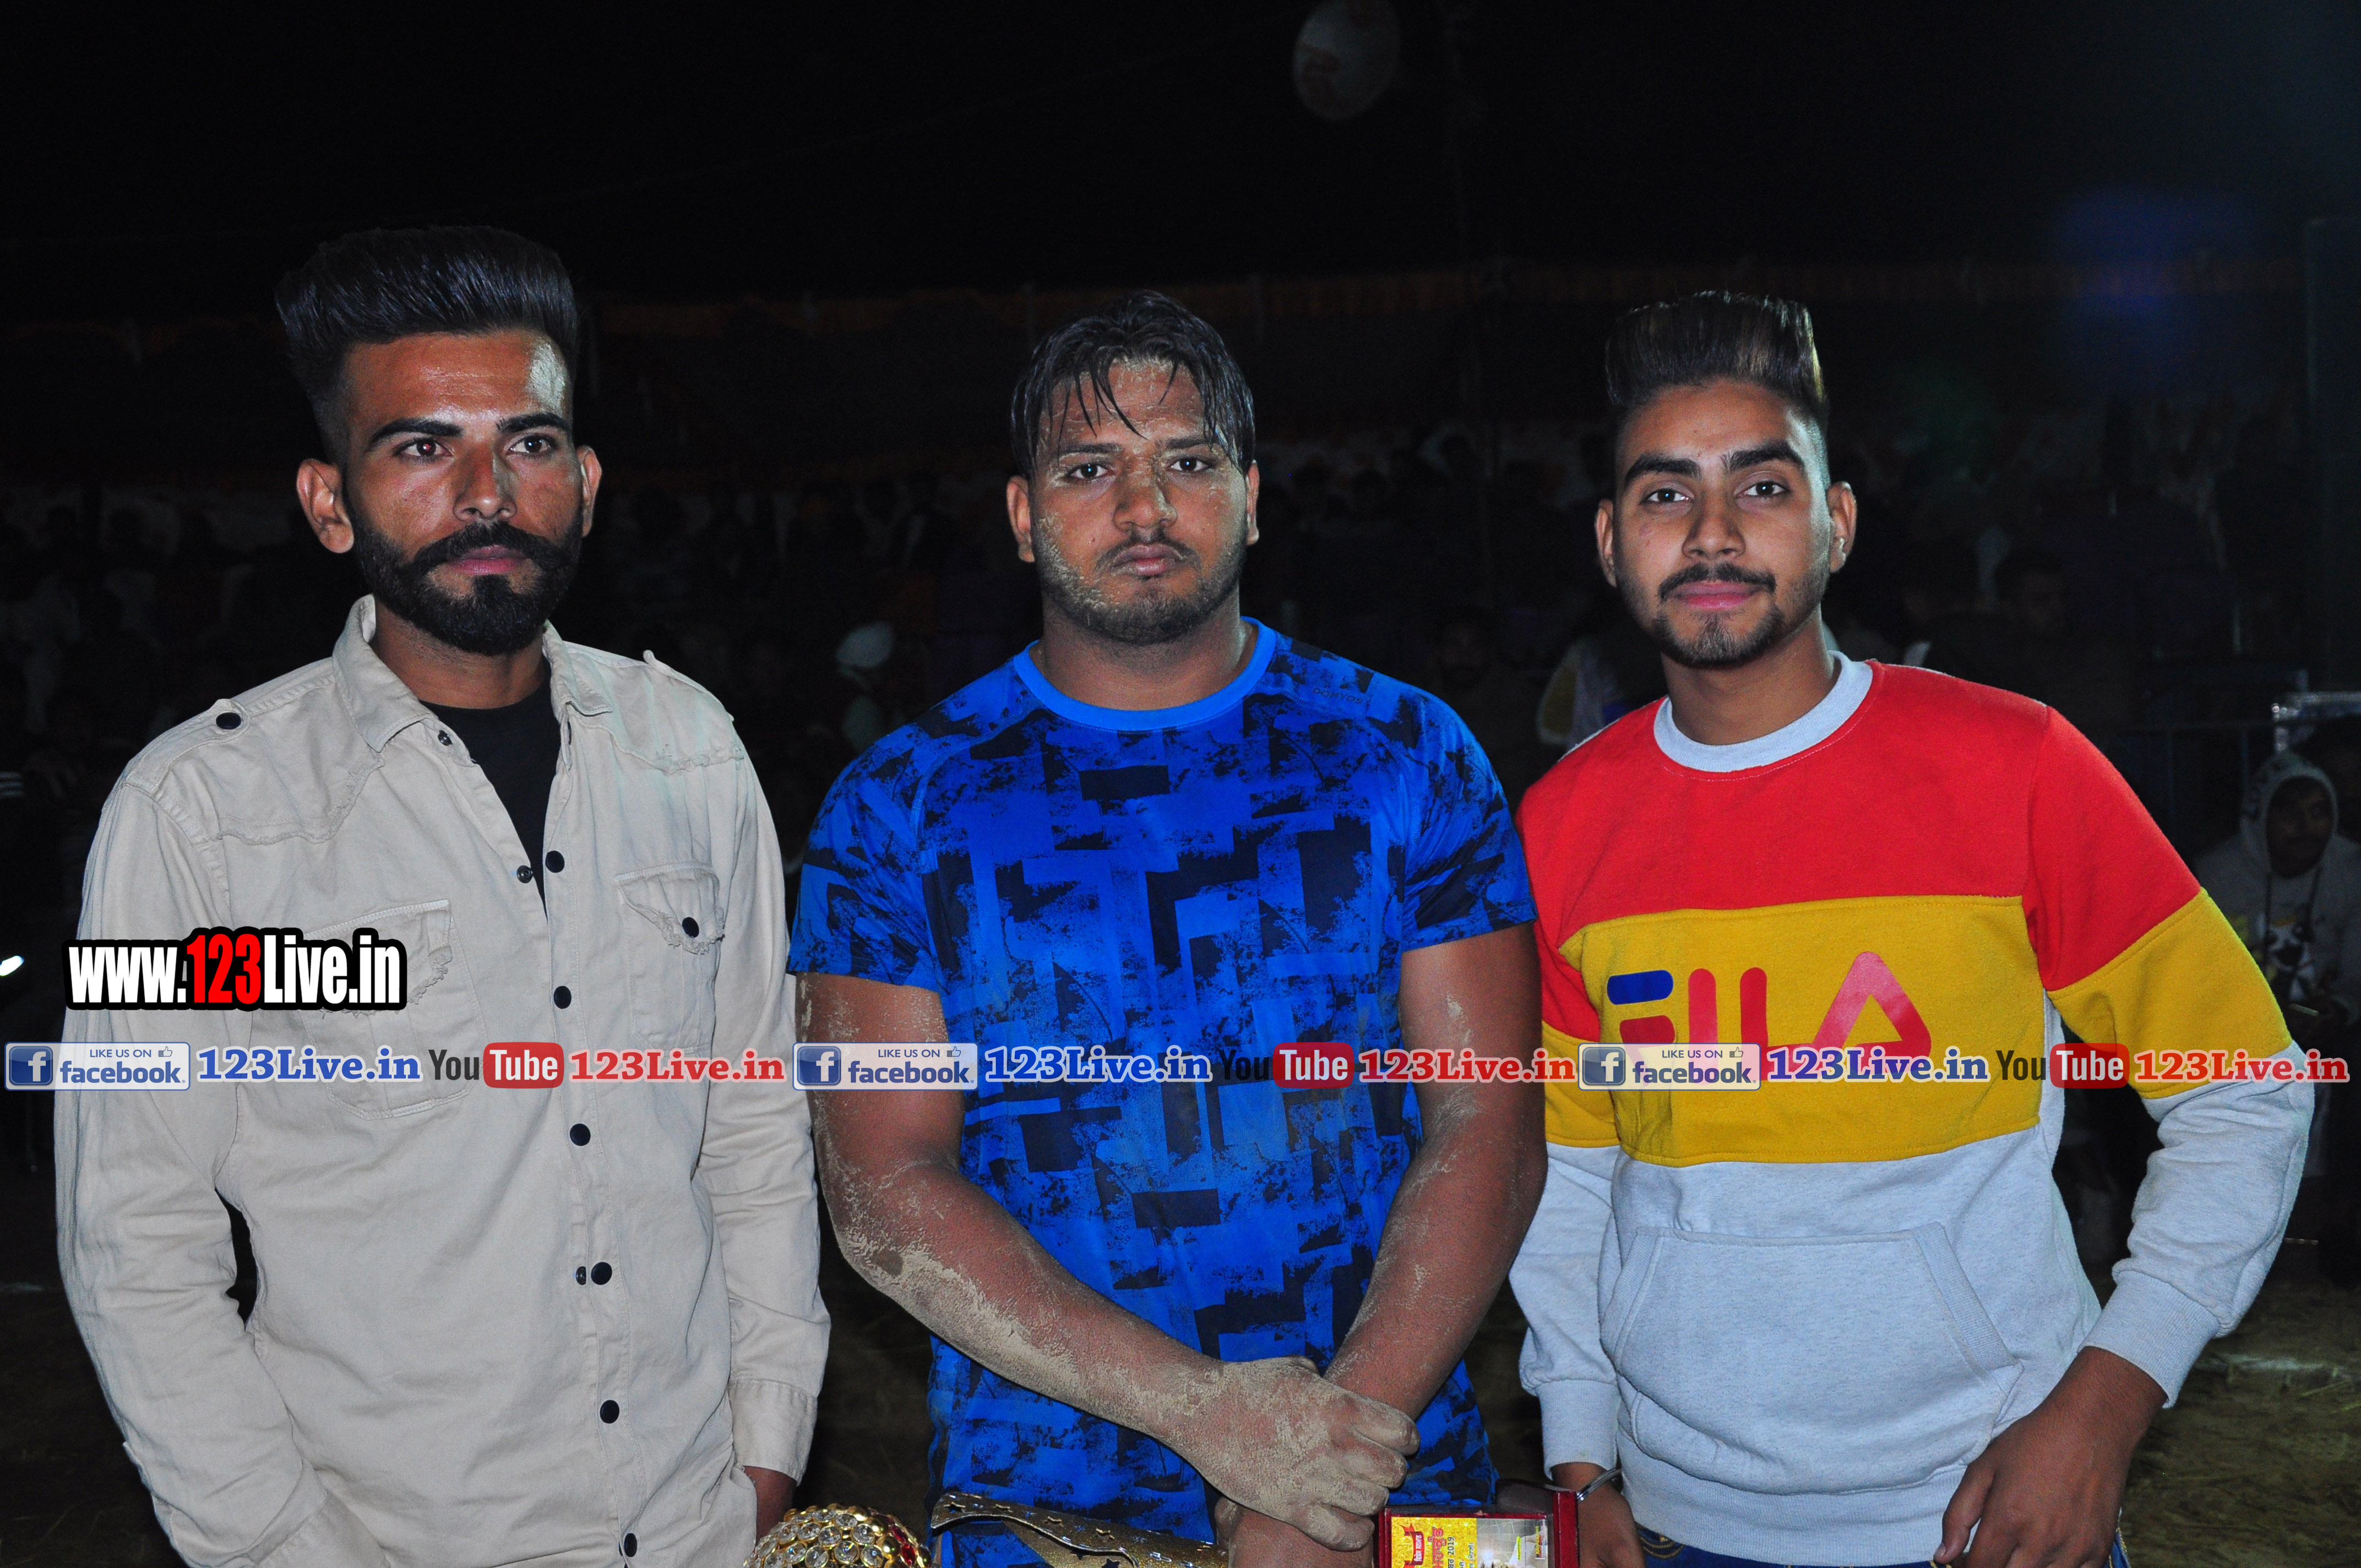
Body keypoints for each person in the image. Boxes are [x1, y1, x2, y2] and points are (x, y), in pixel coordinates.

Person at [58, 227, 828, 1568]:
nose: (487, 493)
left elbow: (753, 1127)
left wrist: (765, 1451)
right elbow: (136, 1236)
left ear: (585, 481)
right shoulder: (195, 819)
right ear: (329, 501)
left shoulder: (690, 751)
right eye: (422, 447)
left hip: (698, 1519)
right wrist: (281, 1544)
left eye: (530, 444)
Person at [1510, 292, 2310, 1568]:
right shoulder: (1559, 825)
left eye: (1759, 486)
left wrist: (2105, 1403)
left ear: (1835, 523)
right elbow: (1567, 1171)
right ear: (1610, 541)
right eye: (1664, 493)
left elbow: (2243, 1086)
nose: (1710, 530)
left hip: (1989, 1511)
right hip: (1668, 1517)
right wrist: (1580, 1453)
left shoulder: (2016, 764)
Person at [795, 292, 1543, 1568]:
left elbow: (1488, 1118)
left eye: (1186, 462)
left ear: (1249, 497)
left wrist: (1321, 1471)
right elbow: (883, 1184)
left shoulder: (1406, 750)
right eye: (1089, 469)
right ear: (1023, 515)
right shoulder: (898, 802)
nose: (1142, 507)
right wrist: (1214, 1416)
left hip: (1385, 1478)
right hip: (1047, 1508)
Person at [2196, 752, 2361, 1283]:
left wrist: (2339, 1008)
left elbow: (2358, 974)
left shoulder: (2351, 869)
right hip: (2237, 1028)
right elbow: (2198, 978)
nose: (2305, 826)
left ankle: (2340, 1224)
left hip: (2327, 1025)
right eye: (2289, 811)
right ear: (2260, 814)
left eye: (2319, 811)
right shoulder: (2214, 876)